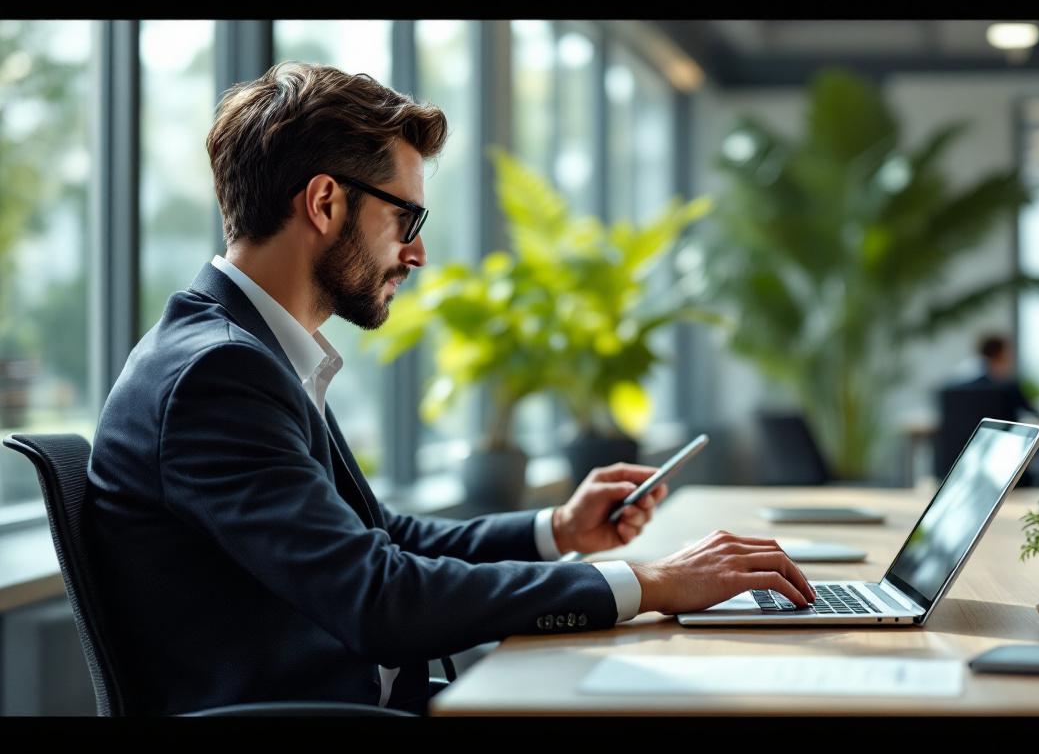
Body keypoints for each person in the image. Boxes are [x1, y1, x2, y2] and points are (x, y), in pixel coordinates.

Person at [86, 62, 814, 716]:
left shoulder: (249, 352)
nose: (419, 252)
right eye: (406, 217)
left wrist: (557, 530)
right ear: (325, 203)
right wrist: (648, 582)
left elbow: (381, 540)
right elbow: (380, 599)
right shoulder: (218, 374)